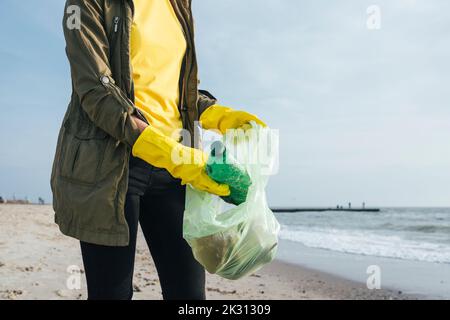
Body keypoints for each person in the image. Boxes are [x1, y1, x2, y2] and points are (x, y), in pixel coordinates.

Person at [50, 0, 266, 300]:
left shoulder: (178, 4)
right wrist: (176, 157)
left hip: (174, 168)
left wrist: (219, 115)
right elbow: (95, 90)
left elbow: (179, 91)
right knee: (111, 294)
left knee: (189, 296)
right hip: (113, 168)